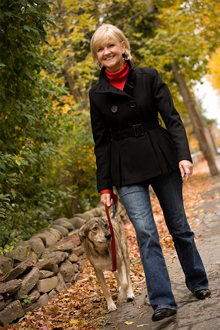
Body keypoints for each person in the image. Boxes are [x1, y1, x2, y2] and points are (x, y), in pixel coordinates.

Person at [89, 23, 211, 322]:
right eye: (100, 49)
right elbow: (101, 143)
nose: (106, 52)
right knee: (145, 233)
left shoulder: (148, 76)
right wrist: (105, 187)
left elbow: (172, 119)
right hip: (125, 169)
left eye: (111, 46)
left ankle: (197, 281)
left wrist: (183, 155)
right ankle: (162, 301)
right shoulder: (96, 94)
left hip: (161, 157)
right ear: (97, 55)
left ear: (123, 46)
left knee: (179, 225)